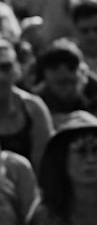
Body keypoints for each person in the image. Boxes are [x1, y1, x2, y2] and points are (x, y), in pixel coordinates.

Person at [0, 38, 53, 169]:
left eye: (5, 67)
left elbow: (43, 167)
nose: (0, 76)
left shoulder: (34, 108)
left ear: (16, 68)